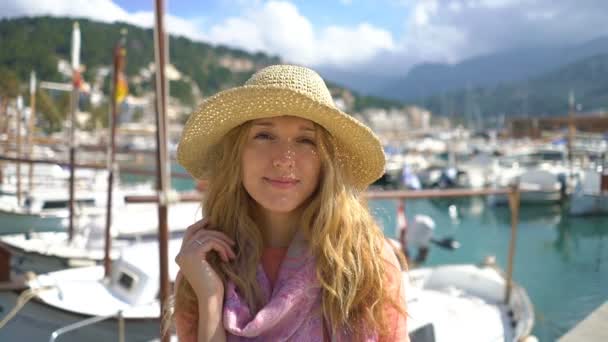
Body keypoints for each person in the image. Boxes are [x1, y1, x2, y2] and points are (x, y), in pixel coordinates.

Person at [167, 65, 408, 341]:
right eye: (264, 136)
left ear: (326, 162)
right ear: (237, 154)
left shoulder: (367, 261)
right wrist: (210, 298)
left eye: (306, 140)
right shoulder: (204, 263)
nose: (283, 158)